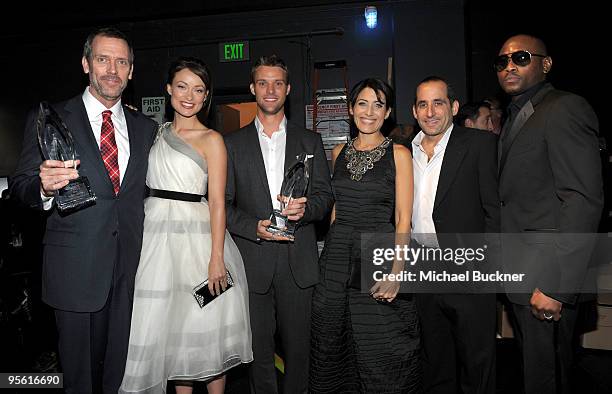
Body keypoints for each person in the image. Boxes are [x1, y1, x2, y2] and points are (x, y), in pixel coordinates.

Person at [9, 27, 157, 393]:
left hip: (131, 272)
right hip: (74, 272)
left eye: (121, 62)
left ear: (132, 71)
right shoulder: (51, 117)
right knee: (79, 379)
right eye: (103, 59)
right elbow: (20, 186)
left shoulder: (146, 128)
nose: (112, 69)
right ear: (86, 64)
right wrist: (43, 186)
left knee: (119, 376)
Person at [119, 57, 252, 394]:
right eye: (182, 86)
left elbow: (219, 202)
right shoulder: (153, 133)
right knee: (173, 335)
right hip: (156, 245)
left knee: (205, 332)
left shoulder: (212, 140)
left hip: (199, 244)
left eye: (198, 90)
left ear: (206, 96)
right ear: (168, 90)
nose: (189, 96)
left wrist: (217, 257)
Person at [495, 34, 603, 394]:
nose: (509, 65)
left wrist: (558, 286)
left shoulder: (565, 108)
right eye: (503, 60)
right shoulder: (517, 115)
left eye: (521, 57)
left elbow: (582, 199)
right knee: (536, 374)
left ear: (546, 64)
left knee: (550, 377)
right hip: (522, 274)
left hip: (548, 279)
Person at [224, 55, 333, 394]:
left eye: (277, 83)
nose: (270, 90)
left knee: (300, 353)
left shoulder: (309, 141)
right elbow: (223, 207)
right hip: (252, 262)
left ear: (288, 89)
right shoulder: (231, 143)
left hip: (297, 263)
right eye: (263, 82)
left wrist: (306, 210)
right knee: (258, 355)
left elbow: (325, 198)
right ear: (252, 88)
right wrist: (251, 226)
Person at [310, 78, 420, 393]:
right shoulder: (339, 151)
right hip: (336, 259)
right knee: (332, 343)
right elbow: (335, 209)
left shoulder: (399, 153)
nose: (369, 112)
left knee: (380, 348)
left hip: (377, 255)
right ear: (350, 109)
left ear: (387, 113)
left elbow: (403, 219)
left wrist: (397, 272)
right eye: (362, 103)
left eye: (378, 105)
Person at [411, 76, 499, 394]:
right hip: (423, 269)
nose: (431, 111)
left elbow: (494, 211)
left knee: (478, 365)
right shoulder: (405, 152)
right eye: (423, 104)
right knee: (435, 363)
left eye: (439, 102)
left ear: (454, 107)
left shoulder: (480, 145)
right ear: (414, 110)